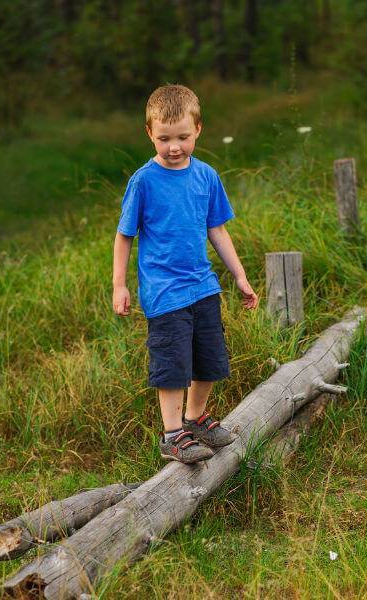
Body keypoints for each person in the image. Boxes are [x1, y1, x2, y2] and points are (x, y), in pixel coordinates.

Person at [112, 84, 258, 464]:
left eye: (182, 137)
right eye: (164, 139)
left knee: (211, 359)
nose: (173, 147)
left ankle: (195, 419)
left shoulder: (206, 176)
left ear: (198, 130)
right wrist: (119, 284)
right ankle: (172, 434)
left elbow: (218, 230)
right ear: (149, 134)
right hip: (164, 291)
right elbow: (125, 235)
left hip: (202, 285)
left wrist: (240, 276)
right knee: (173, 363)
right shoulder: (143, 182)